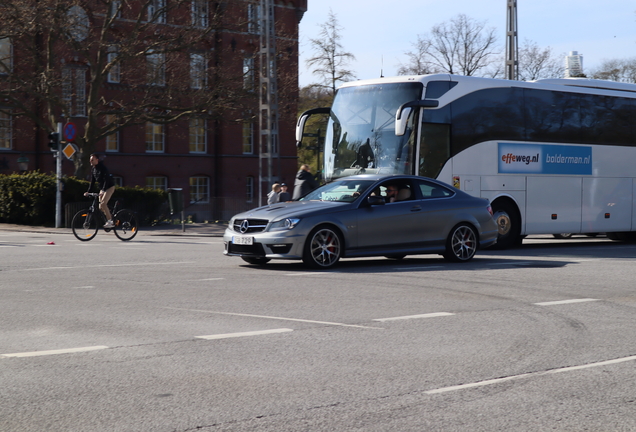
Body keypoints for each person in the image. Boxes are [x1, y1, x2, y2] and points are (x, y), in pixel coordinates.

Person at [85, 153, 116, 228]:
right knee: (100, 207)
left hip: (109, 187)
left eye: (92, 160)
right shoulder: (93, 169)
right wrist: (88, 191)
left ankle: (110, 221)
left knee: (103, 204)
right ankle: (110, 216)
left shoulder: (103, 168)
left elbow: (106, 180)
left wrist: (104, 191)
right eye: (90, 160)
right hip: (102, 188)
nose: (91, 161)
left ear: (97, 160)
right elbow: (92, 181)